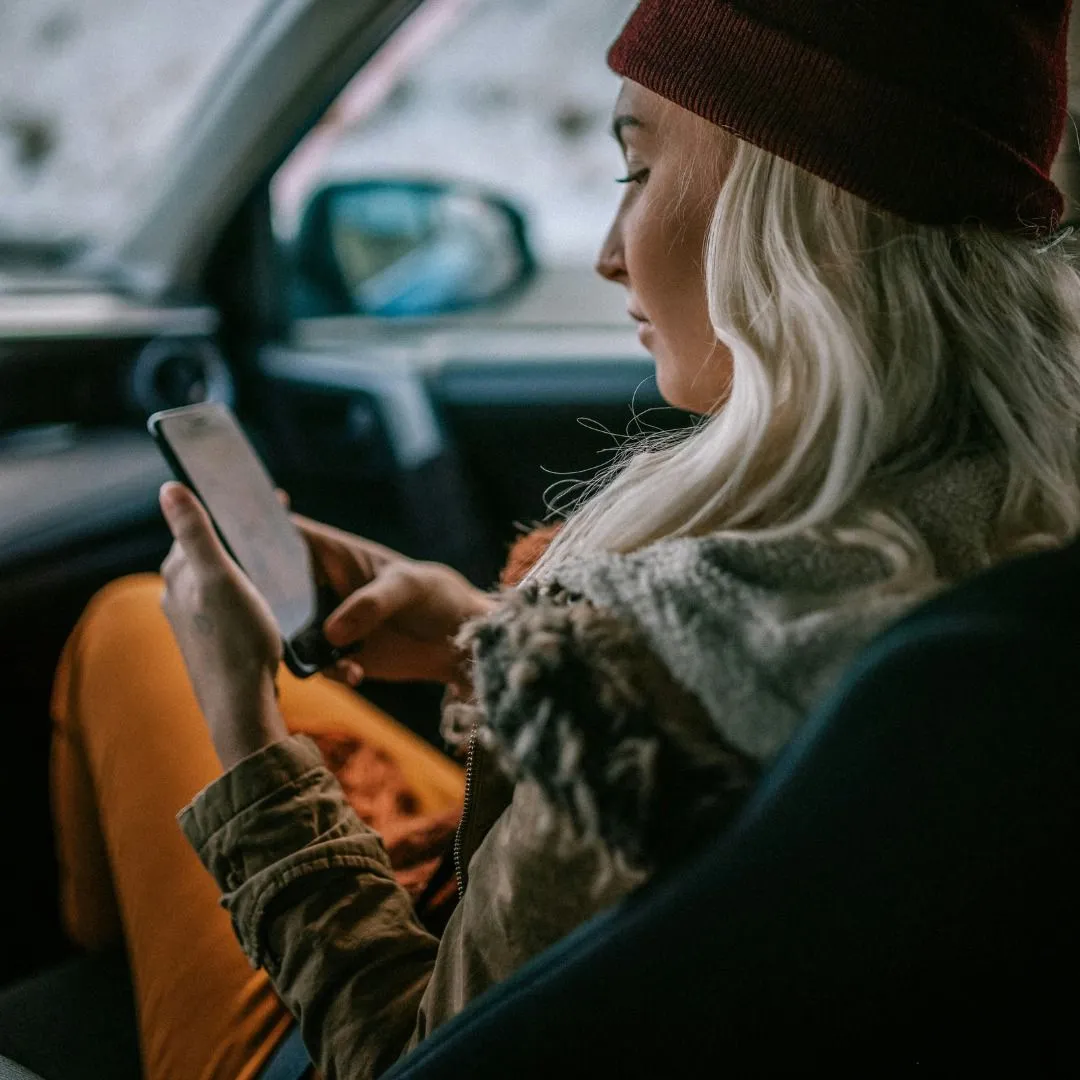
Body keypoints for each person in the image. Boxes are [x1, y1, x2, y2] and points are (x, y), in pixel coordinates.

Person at [50, 1, 1080, 1077]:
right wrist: (484, 641)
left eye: (636, 173)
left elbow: (409, 1054)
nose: (605, 254)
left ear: (800, 211)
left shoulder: (654, 662)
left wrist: (245, 734)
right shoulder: (1015, 536)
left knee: (141, 630)